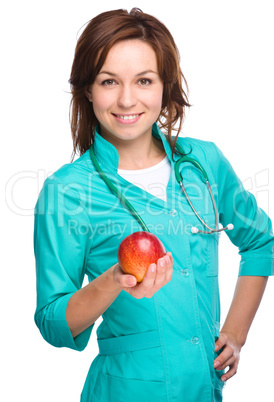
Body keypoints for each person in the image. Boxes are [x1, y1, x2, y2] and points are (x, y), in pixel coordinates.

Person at [33, 8, 274, 402]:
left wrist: (236, 331)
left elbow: (261, 242)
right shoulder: (67, 192)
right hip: (125, 390)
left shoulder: (204, 163)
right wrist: (114, 281)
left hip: (204, 388)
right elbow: (53, 321)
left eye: (144, 80)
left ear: (165, 85)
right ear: (88, 89)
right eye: (109, 81)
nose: (127, 99)